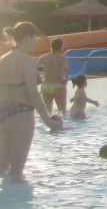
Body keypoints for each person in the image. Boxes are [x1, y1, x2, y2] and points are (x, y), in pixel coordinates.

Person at [0, 22, 62, 180]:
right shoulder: (27, 61)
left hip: (3, 111)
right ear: (27, 38)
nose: (35, 41)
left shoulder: (3, 60)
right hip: (21, 113)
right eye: (34, 38)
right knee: (17, 171)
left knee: (2, 168)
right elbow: (33, 93)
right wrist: (48, 121)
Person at [37, 37, 70, 114]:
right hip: (58, 85)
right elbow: (67, 69)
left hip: (45, 85)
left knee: (47, 111)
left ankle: (49, 122)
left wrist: (40, 78)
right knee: (62, 111)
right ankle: (60, 122)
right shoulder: (61, 58)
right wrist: (66, 79)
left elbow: (34, 67)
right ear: (61, 47)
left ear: (51, 46)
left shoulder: (44, 57)